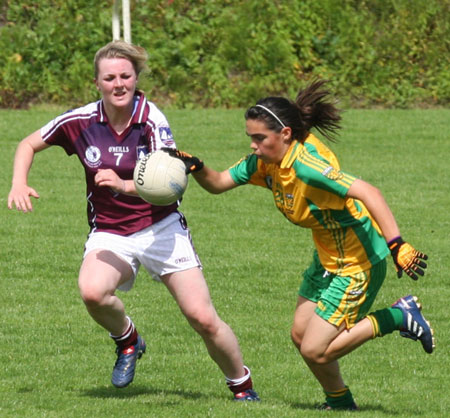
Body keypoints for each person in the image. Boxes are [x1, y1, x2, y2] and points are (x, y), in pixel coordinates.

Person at [7, 40, 260, 401]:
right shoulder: (80, 121)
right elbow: (27, 144)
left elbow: (171, 184)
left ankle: (242, 387)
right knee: (92, 292)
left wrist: (123, 184)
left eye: (126, 76)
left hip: (161, 228)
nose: (119, 84)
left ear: (136, 78)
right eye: (110, 78)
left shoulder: (151, 120)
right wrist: (19, 181)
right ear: (97, 83)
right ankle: (128, 340)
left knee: (201, 317)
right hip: (110, 231)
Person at [163, 80, 435, 410]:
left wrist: (398, 246)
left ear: (286, 134)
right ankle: (340, 402)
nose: (253, 146)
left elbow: (369, 192)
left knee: (315, 349)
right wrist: (197, 166)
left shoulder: (307, 168)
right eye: (250, 138)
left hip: (359, 261)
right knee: (300, 335)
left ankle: (398, 316)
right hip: (327, 256)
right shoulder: (267, 162)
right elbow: (219, 183)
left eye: (260, 138)